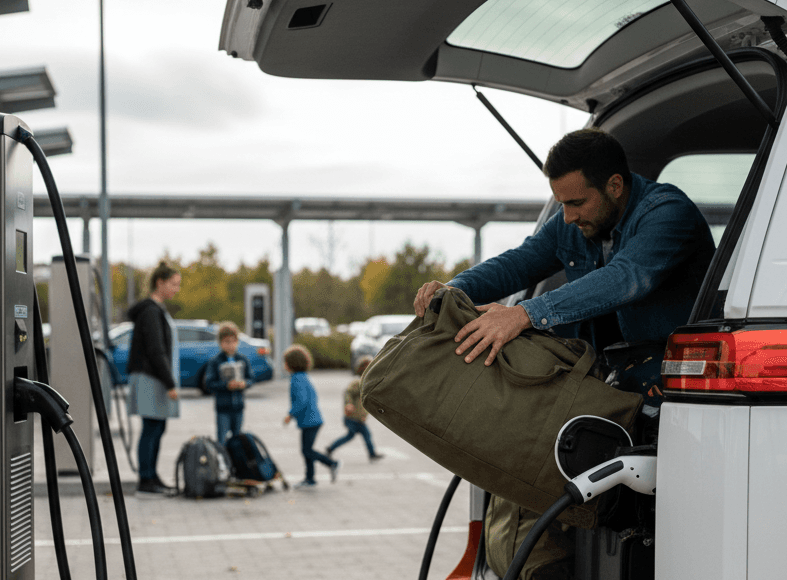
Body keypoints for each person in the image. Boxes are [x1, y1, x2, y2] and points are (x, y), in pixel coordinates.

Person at [413, 128, 715, 393]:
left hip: (679, 379)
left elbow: (625, 277)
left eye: (576, 203)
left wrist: (522, 314)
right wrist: (455, 288)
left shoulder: (668, 213)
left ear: (615, 186)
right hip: (612, 375)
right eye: (561, 204)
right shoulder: (573, 224)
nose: (568, 217)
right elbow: (519, 263)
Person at [127, 262, 181, 494]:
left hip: (153, 377)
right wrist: (169, 382)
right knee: (151, 428)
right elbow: (156, 350)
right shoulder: (150, 311)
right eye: (174, 284)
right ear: (160, 283)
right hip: (151, 378)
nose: (176, 289)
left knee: (157, 428)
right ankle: (146, 479)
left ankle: (152, 476)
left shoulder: (156, 310)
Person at [282, 344, 339, 489]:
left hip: (310, 421)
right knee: (307, 450)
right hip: (312, 420)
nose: (284, 365)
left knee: (307, 451)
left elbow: (302, 401)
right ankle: (310, 479)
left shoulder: (296, 379)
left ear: (291, 364)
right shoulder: (303, 377)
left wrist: (290, 414)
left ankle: (332, 464)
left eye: (285, 362)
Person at [325, 357, 384, 462]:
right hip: (352, 418)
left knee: (353, 436)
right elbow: (348, 393)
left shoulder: (367, 382)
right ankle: (372, 454)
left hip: (358, 418)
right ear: (362, 369)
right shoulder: (358, 382)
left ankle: (330, 449)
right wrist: (348, 404)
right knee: (360, 436)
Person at [204, 322, 253, 444]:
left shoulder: (242, 360)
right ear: (220, 343)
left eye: (233, 341)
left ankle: (236, 461)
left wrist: (244, 384)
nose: (230, 345)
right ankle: (223, 461)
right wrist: (226, 385)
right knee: (222, 439)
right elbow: (209, 383)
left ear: (237, 342)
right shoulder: (215, 361)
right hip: (223, 408)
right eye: (226, 342)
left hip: (238, 407)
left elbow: (251, 378)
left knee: (238, 439)